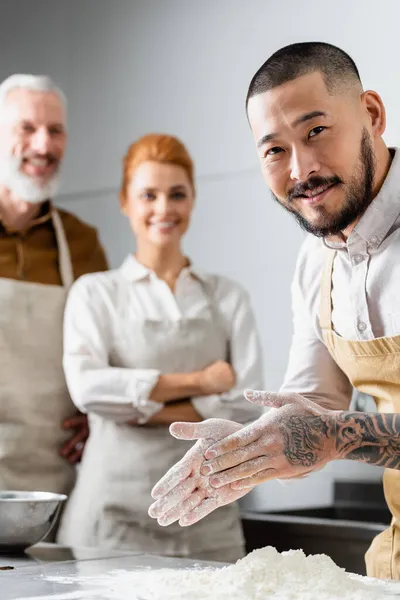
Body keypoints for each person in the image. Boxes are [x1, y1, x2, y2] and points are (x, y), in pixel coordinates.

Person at [148, 42, 400, 579]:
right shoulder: (316, 264)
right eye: (274, 150)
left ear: (372, 116)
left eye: (316, 132)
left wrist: (335, 438)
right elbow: (311, 407)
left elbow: (330, 429)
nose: (301, 169)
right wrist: (251, 445)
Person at [56, 133, 263, 561]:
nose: (163, 208)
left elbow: (246, 407)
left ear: (192, 200)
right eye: (148, 195)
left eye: (177, 194)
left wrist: (137, 408)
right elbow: (88, 390)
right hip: (110, 522)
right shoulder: (95, 293)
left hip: (208, 515)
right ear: (124, 202)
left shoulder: (228, 297)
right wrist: (202, 383)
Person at [0, 74, 108, 496]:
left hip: (50, 478)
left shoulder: (82, 242)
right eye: (26, 128)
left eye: (55, 131)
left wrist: (97, 414)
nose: (43, 146)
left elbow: (107, 349)